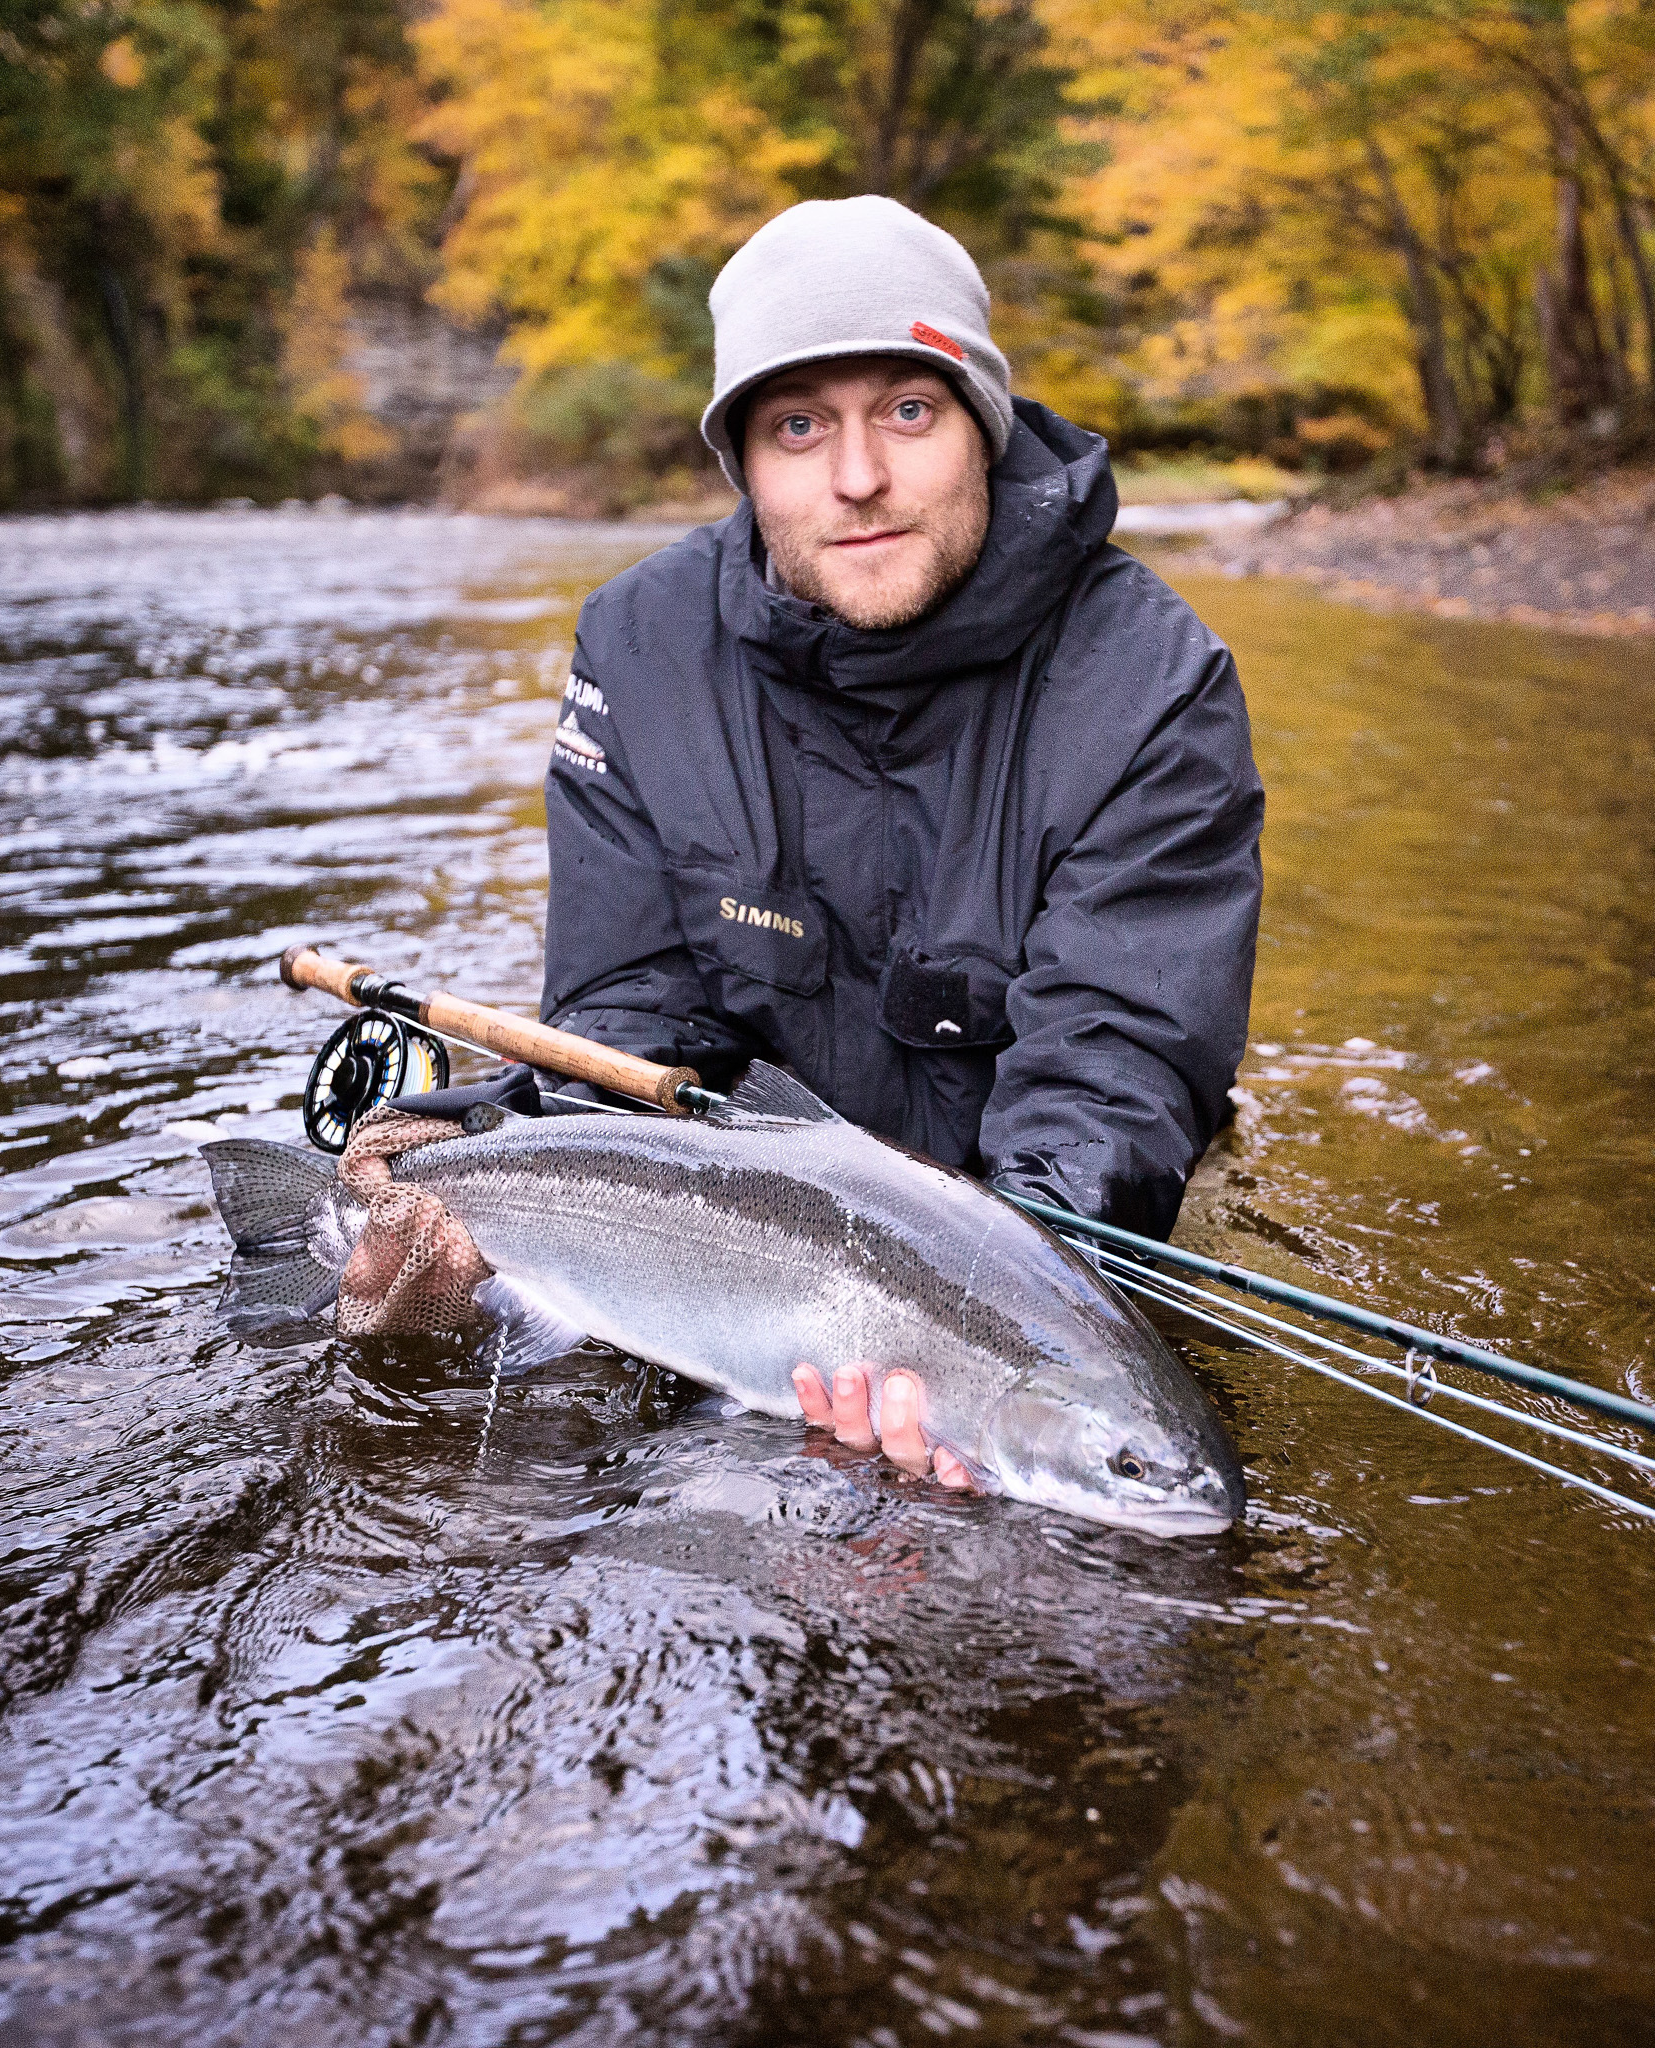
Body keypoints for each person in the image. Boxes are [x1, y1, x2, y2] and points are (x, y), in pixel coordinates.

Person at [538, 195, 1264, 1487]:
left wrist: (993, 1339)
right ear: (745, 465)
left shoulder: (1154, 682)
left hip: (1031, 1244)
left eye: (908, 412)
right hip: (757, 1246)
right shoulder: (638, 648)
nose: (857, 477)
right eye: (799, 426)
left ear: (981, 423)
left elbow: (1116, 1065)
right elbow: (627, 1014)